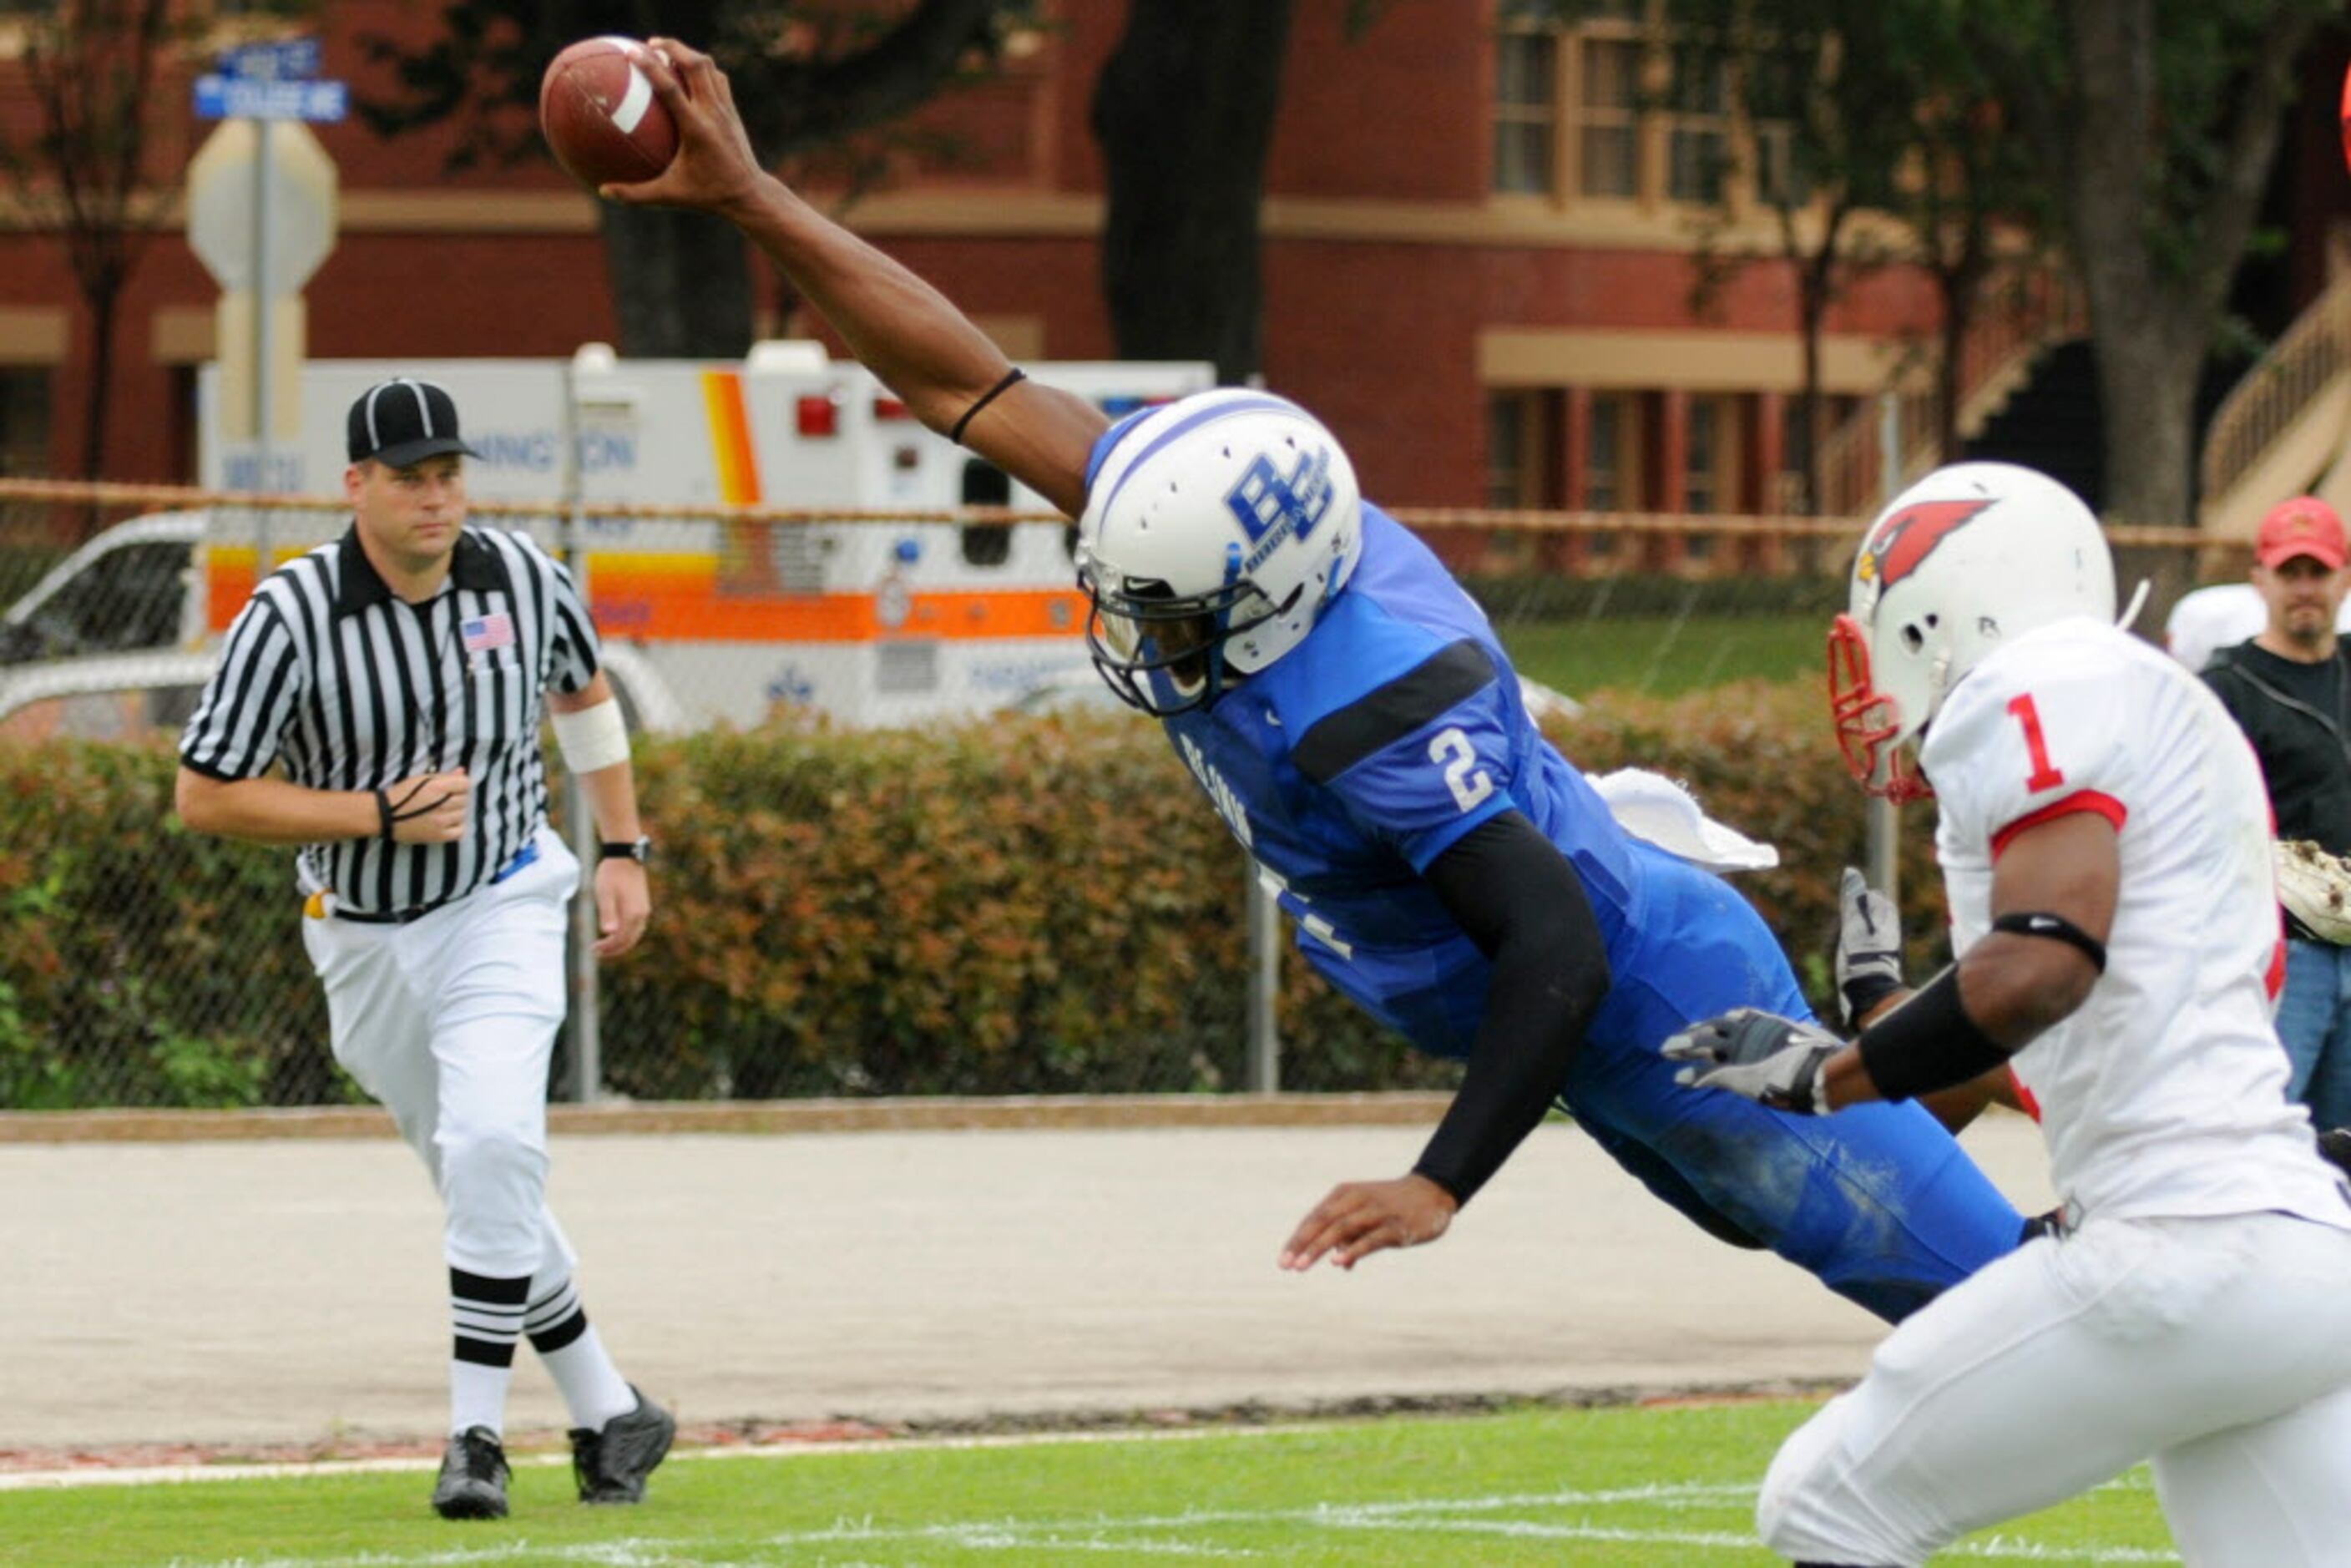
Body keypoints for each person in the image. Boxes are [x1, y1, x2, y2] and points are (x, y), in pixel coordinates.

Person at [599, 40, 2029, 1323]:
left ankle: (2061, 1066)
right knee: (1764, 1222)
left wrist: (1439, 1182)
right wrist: (753, 198)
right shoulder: (1214, 528)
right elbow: (962, 384)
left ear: (1263, 600)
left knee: (1993, 1300)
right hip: (1591, 988)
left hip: (1647, 1000)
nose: (1129, 627)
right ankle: (1968, 1051)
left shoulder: (1371, 703)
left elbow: (1558, 952)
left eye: (1157, 612)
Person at [1666, 461, 2351, 1565]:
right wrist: (1876, 1027)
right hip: (2302, 1256)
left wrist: (1826, 1073)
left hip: (2177, 1246)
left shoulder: (2031, 680)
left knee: (1825, 1503)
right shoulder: (2145, 691)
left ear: (1948, 600)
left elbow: (2044, 964)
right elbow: (2051, 1034)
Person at [174, 378, 675, 1520]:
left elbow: (586, 695)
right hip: (357, 931)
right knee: (474, 1170)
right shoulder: (292, 614)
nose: (435, 498)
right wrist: (376, 815)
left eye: (448, 473)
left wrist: (622, 845)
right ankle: (609, 1408)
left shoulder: (520, 577)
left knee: (496, 1137)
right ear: (357, 485)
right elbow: (203, 795)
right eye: (408, 477)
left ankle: (476, 1437)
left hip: (501, 896)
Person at [2202, 496, 2351, 1132]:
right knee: (2264, 1135)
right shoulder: (2228, 685)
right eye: (2290, 572)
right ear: (2260, 578)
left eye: (2317, 571)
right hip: (2280, 951)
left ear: (2343, 576)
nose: (2305, 589)